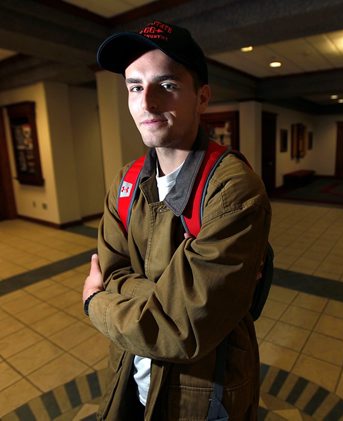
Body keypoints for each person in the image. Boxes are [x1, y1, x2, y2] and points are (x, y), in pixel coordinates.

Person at [82, 20, 271, 420]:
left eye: (166, 85)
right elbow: (115, 271)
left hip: (202, 391)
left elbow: (180, 329)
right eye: (135, 87)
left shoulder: (233, 190)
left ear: (202, 97)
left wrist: (96, 303)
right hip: (131, 373)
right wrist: (168, 295)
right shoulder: (126, 181)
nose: (146, 103)